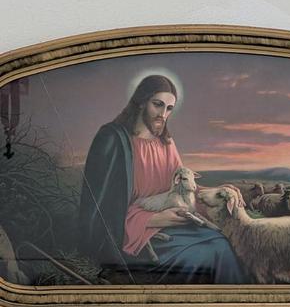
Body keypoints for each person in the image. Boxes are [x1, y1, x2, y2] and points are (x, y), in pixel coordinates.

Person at [78, 75, 248, 284]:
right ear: (141, 101)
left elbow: (184, 187)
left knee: (220, 243)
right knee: (206, 253)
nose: (163, 114)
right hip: (133, 234)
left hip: (170, 226)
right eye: (157, 105)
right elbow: (102, 208)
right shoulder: (112, 139)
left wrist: (219, 192)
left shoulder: (165, 142)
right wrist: (152, 220)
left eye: (169, 108)